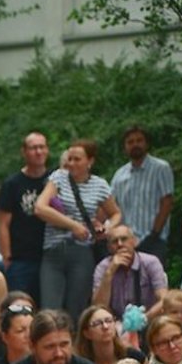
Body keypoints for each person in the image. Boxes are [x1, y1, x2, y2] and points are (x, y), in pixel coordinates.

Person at [35, 140, 121, 326]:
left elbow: (116, 213)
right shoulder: (58, 177)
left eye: (77, 159)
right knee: (50, 309)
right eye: (70, 159)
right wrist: (73, 225)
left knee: (77, 308)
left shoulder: (99, 185)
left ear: (89, 161)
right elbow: (40, 208)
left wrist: (106, 228)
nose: (71, 163)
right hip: (54, 249)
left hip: (82, 251)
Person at [0, 130, 51, 301]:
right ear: (24, 152)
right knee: (20, 304)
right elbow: (3, 223)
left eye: (42, 147)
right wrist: (6, 258)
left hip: (51, 257)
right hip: (21, 259)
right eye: (33, 148)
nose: (38, 152)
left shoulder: (55, 180)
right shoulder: (12, 184)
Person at [110, 125, 175, 264]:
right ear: (125, 147)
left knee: (154, 284)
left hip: (154, 240)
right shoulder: (119, 175)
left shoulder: (161, 168)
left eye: (139, 140)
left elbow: (167, 202)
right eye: (130, 142)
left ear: (147, 143)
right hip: (125, 243)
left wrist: (154, 234)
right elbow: (112, 207)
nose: (135, 145)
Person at [93, 226, 168, 318]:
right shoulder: (103, 267)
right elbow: (98, 307)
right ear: (109, 248)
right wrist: (109, 273)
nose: (120, 244)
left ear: (134, 242)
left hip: (148, 318)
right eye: (114, 241)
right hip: (116, 323)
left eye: (124, 239)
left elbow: (164, 299)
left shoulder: (151, 262)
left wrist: (143, 319)